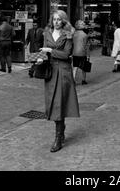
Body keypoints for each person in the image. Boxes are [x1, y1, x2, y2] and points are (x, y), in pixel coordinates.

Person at [40, 10, 79, 153]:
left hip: (63, 72)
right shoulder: (47, 33)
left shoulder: (68, 35)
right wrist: (39, 58)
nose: (56, 22)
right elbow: (44, 53)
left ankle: (58, 138)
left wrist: (50, 50)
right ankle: (61, 129)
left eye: (59, 19)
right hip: (50, 72)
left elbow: (66, 54)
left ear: (63, 21)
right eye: (54, 19)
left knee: (59, 103)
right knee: (53, 103)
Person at [72, 20, 90, 85]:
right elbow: (86, 46)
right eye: (83, 24)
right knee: (83, 67)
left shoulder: (74, 34)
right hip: (82, 53)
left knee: (75, 67)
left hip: (75, 52)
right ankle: (83, 80)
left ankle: (73, 80)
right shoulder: (85, 35)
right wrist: (88, 55)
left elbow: (72, 44)